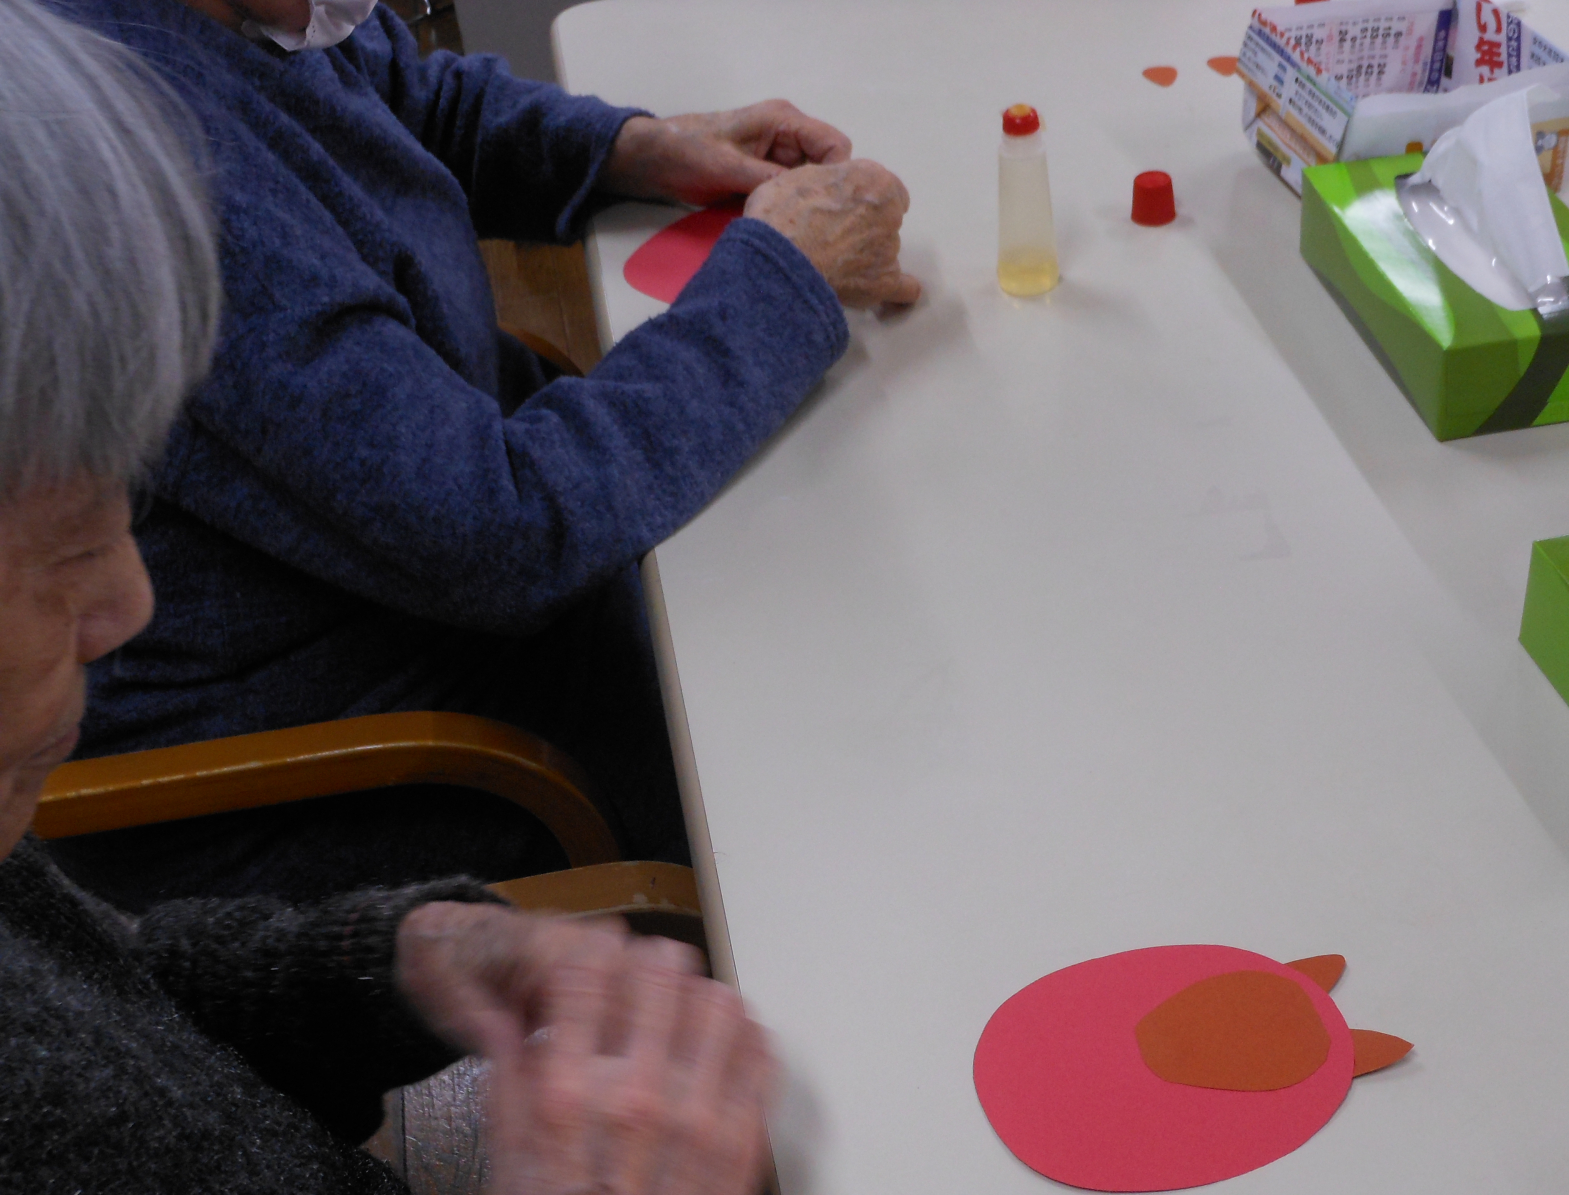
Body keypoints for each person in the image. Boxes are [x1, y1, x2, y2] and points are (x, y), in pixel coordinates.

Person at [0, 4, 781, 1195]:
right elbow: (497, 527)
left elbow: (88, 1015)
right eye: (59, 558)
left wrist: (382, 965)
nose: (127, 601)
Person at [46, 0, 922, 912]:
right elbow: (504, 534)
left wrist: (630, 149)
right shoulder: (134, 175)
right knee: (852, 776)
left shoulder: (247, 13)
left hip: (447, 577)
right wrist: (781, 283)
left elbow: (397, 99)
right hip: (360, 755)